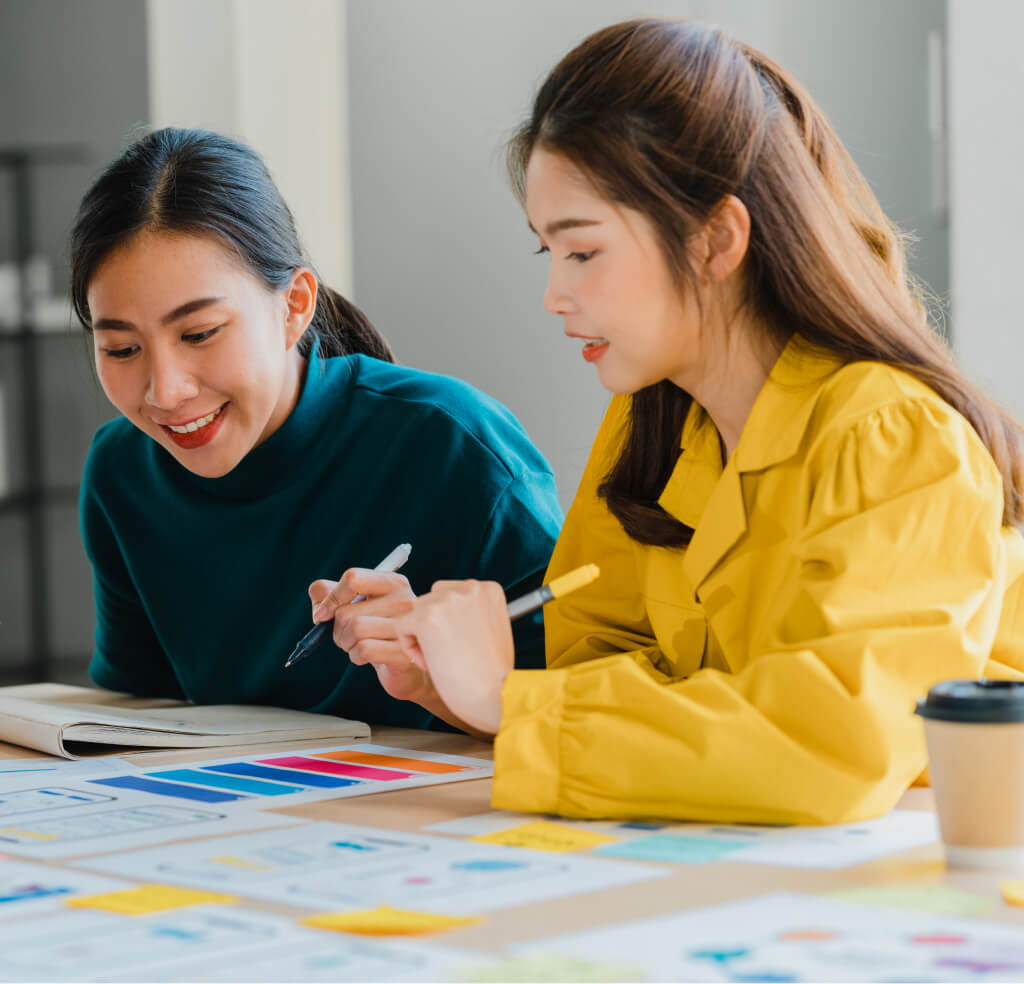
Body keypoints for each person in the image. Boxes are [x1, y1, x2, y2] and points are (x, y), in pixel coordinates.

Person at [391, 18, 1024, 822]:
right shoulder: (650, 426)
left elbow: (832, 748)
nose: (554, 294)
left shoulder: (892, 435)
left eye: (582, 252)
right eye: (545, 253)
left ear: (717, 238)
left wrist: (507, 699)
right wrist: (458, 687)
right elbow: (607, 659)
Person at [72, 127, 562, 732]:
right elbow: (138, 714)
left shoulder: (457, 447)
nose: (165, 392)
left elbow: (583, 714)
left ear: (294, 305)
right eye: (121, 348)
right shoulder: (122, 472)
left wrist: (443, 684)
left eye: (199, 334)